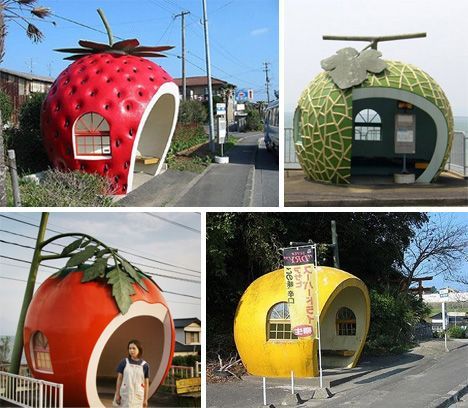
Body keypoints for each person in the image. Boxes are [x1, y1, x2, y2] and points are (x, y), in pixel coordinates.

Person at [114, 340, 150, 408]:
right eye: (130, 348)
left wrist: (145, 399)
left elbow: (146, 383)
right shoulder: (124, 362)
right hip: (125, 394)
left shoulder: (145, 365)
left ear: (139, 349)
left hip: (138, 396)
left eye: (134, 348)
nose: (131, 350)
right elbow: (119, 379)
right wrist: (117, 394)